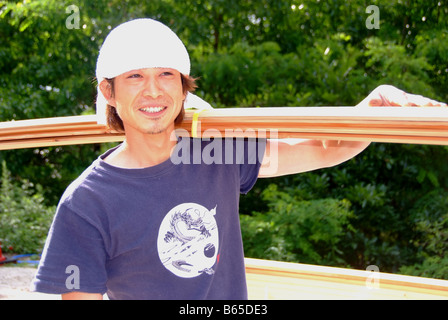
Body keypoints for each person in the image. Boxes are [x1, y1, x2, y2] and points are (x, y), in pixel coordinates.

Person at [31, 18, 445, 300]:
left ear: (183, 87)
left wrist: (368, 110)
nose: (153, 91)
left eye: (166, 75)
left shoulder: (213, 153)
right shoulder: (85, 203)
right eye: (135, 76)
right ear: (109, 92)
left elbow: (324, 147)